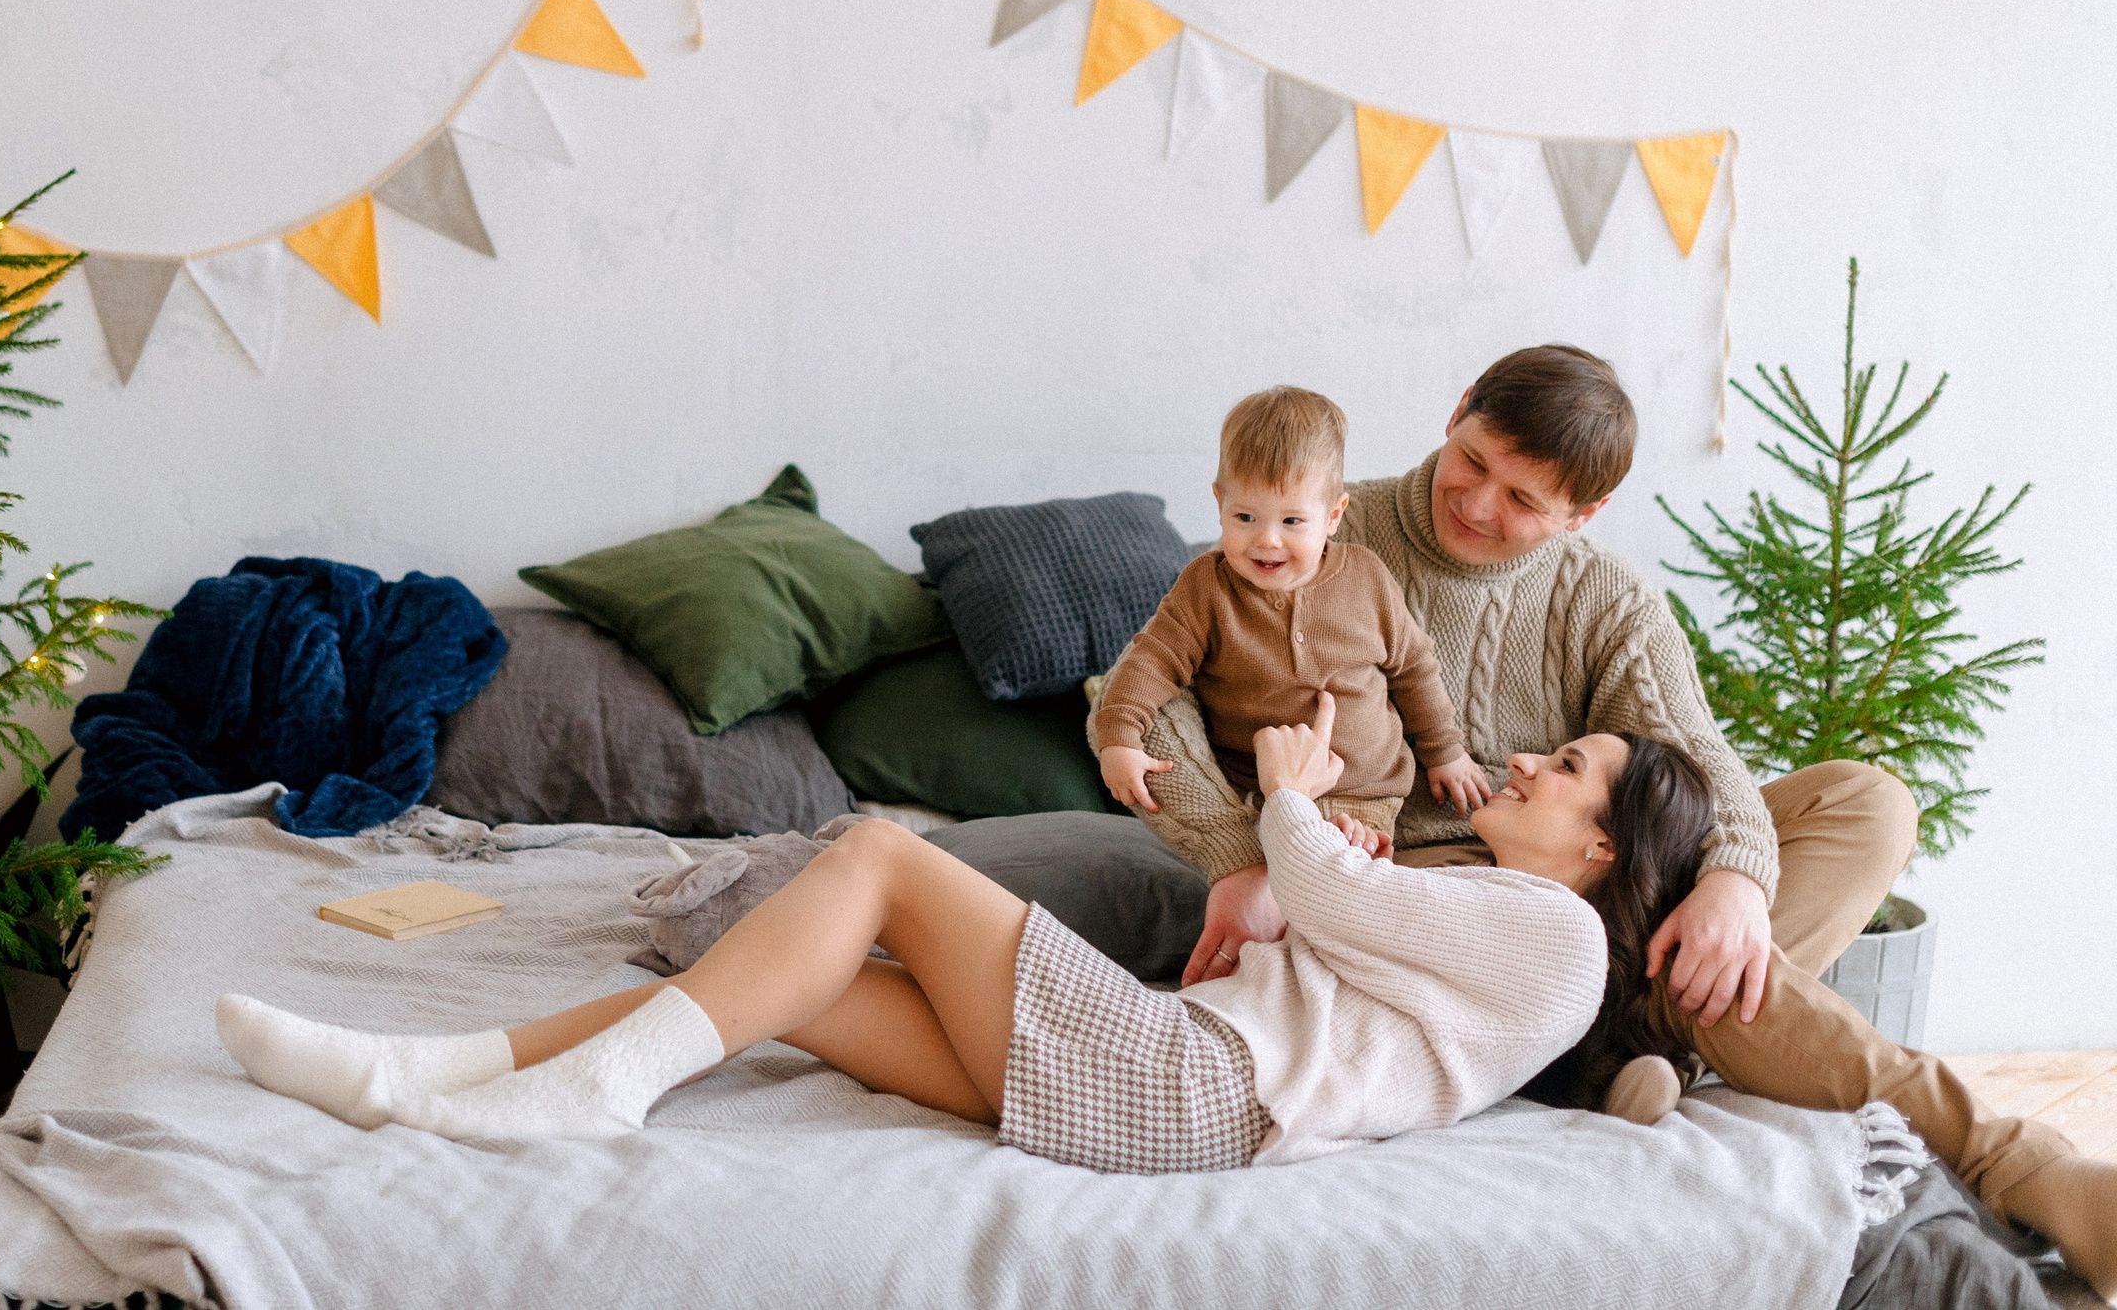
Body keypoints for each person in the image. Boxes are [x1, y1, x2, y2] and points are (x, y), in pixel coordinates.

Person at [1127, 344, 2112, 1292]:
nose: (1475, 503)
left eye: (1521, 498)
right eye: (1471, 460)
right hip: (1411, 891)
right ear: (1459, 404)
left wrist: (1730, 881)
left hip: (1574, 882)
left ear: (1584, 510)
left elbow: (1700, 759)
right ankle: (2020, 1165)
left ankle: (1645, 1043)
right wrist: (1234, 854)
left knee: (1864, 803)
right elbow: (1149, 689)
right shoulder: (1322, 524)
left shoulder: (1601, 599)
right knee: (1677, 959)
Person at [214, 708, 1713, 1177]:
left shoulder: (1563, 945)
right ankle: (417, 1070)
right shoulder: (1507, 912)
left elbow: (1333, 897)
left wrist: (1291, 793)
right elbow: (1345, 926)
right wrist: (1299, 876)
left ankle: (592, 1092)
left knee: (877, 850)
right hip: (1173, 1097)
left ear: (1604, 849)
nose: (1527, 763)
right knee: (785, 989)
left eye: (1567, 770)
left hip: (1189, 1089)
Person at [1091, 386, 1487, 848]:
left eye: (1292, 522)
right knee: (1283, 868)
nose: (1267, 540)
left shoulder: (1366, 578)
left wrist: (1444, 752)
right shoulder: (1207, 587)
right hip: (1257, 792)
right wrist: (1119, 737)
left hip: (1363, 789)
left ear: (1333, 515)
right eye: (1245, 517)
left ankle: (1349, 848)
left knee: (1342, 867)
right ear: (1219, 503)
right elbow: (1152, 660)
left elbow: (1414, 669)